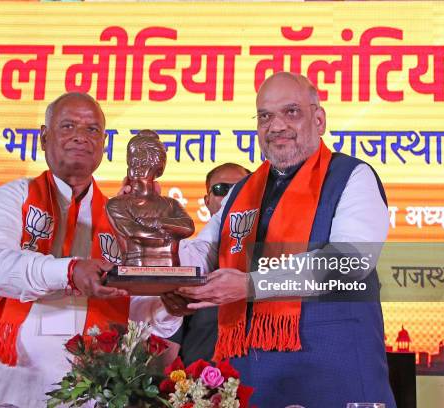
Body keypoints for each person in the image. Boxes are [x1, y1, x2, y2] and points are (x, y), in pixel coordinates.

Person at [167, 72, 396, 407]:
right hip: (254, 384)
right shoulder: (243, 191)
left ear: (319, 119)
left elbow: (351, 261)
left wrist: (250, 285)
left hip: (334, 377)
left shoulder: (352, 176)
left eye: (291, 112)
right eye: (265, 116)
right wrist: (162, 253)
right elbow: (205, 249)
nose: (275, 127)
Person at [0, 93, 181, 407]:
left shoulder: (120, 218)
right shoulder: (14, 197)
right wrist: (70, 270)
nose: (81, 135)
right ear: (43, 136)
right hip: (3, 384)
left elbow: (134, 311)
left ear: (103, 145)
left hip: (88, 391)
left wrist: (169, 305)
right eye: (68, 126)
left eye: (93, 130)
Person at [172, 163, 250, 365]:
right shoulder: (185, 259)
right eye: (221, 189)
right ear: (207, 201)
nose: (230, 197)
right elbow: (168, 341)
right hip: (199, 385)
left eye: (240, 189)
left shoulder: (273, 262)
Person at [106, 130, 195, 267]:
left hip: (171, 269)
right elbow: (132, 231)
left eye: (144, 162)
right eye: (134, 161)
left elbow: (188, 227)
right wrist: (167, 233)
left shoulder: (171, 204)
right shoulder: (116, 204)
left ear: (158, 167)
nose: (137, 167)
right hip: (134, 268)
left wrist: (156, 222)